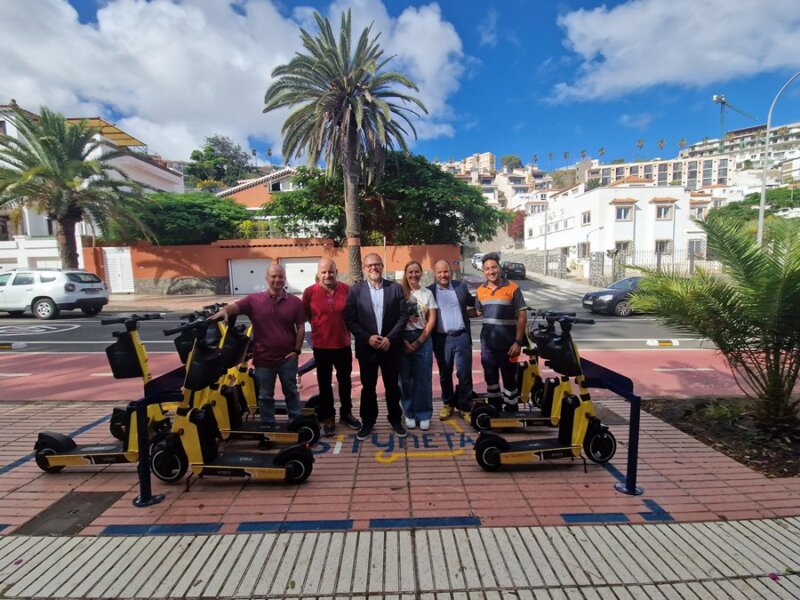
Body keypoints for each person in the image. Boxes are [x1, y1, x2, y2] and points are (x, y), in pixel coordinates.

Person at [212, 264, 305, 433]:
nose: (277, 279)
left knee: (291, 392)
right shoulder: (254, 300)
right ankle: (267, 425)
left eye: (281, 276)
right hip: (263, 359)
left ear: (285, 279)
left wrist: (297, 351)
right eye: (274, 276)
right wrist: (225, 311)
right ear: (267, 278)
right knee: (265, 396)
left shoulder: (295, 302)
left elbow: (300, 327)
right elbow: (235, 307)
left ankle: (296, 421)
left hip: (287, 358)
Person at [343, 253, 409, 440]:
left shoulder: (395, 288)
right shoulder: (355, 290)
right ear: (364, 268)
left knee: (392, 386)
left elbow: (403, 317)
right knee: (368, 387)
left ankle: (396, 419)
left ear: (382, 266)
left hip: (390, 347)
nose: (374, 268)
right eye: (370, 265)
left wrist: (390, 338)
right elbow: (350, 319)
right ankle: (368, 421)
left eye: (377, 264)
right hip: (367, 348)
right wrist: (367, 338)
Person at [302, 258, 361, 437]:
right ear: (318, 273)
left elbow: (354, 315)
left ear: (336, 272)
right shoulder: (309, 292)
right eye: (324, 272)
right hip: (321, 347)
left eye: (331, 271)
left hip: (342, 345)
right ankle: (328, 417)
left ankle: (346, 413)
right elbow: (305, 316)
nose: (327, 275)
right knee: (324, 384)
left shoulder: (347, 290)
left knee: (345, 383)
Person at [474, 252, 527, 411]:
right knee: (491, 378)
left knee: (510, 379)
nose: (491, 271)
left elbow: (522, 315)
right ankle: (494, 408)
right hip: (488, 345)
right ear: (483, 271)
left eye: (494, 267)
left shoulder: (513, 288)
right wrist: (457, 311)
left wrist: (518, 342)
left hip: (509, 345)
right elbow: (478, 312)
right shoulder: (480, 291)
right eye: (487, 268)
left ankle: (511, 410)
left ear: (499, 267)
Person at [427, 259, 476, 421]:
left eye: (446, 271)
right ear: (435, 274)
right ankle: (448, 404)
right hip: (441, 339)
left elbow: (473, 302)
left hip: (462, 336)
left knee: (464, 374)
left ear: (451, 272)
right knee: (444, 373)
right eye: (440, 272)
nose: (443, 275)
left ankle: (465, 406)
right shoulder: (429, 292)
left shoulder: (460, 286)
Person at [398, 260, 438, 431]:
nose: (414, 275)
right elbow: (392, 318)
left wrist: (418, 342)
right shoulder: (398, 293)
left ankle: (423, 414)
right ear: (405, 274)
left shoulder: (427, 293)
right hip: (402, 338)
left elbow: (432, 320)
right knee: (405, 379)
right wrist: (402, 340)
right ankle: (408, 412)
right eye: (410, 272)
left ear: (421, 273)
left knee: (423, 378)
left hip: (423, 338)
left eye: (417, 272)